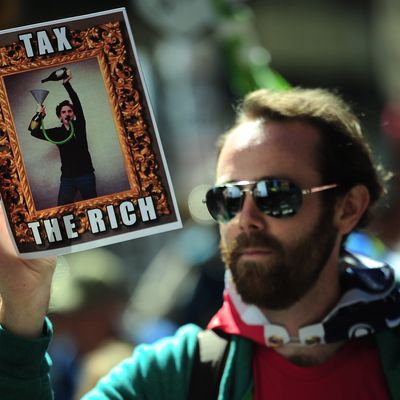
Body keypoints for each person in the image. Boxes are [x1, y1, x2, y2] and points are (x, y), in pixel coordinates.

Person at [1, 87, 400, 399]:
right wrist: (23, 301)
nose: (245, 219)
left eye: (275, 193)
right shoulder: (172, 377)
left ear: (348, 207)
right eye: (226, 198)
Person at [29, 69, 97, 206]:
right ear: (60, 116)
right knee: (62, 209)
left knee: (94, 206)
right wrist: (39, 115)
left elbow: (76, 101)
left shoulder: (80, 125)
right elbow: (33, 131)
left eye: (69, 111)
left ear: (73, 114)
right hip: (67, 179)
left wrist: (66, 84)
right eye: (63, 112)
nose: (67, 113)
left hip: (86, 175)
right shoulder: (56, 133)